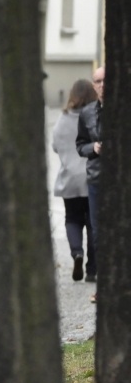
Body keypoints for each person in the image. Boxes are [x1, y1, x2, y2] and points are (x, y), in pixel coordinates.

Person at [52, 79, 97, 283]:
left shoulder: (62, 119)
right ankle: (91, 269)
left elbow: (55, 145)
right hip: (90, 177)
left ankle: (76, 253)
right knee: (92, 223)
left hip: (69, 179)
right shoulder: (92, 116)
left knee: (72, 219)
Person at [76, 66, 104, 303]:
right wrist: (93, 149)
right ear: (93, 85)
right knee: (97, 233)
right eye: (98, 81)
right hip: (96, 179)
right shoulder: (86, 113)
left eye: (106, 80)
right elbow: (80, 145)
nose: (102, 85)